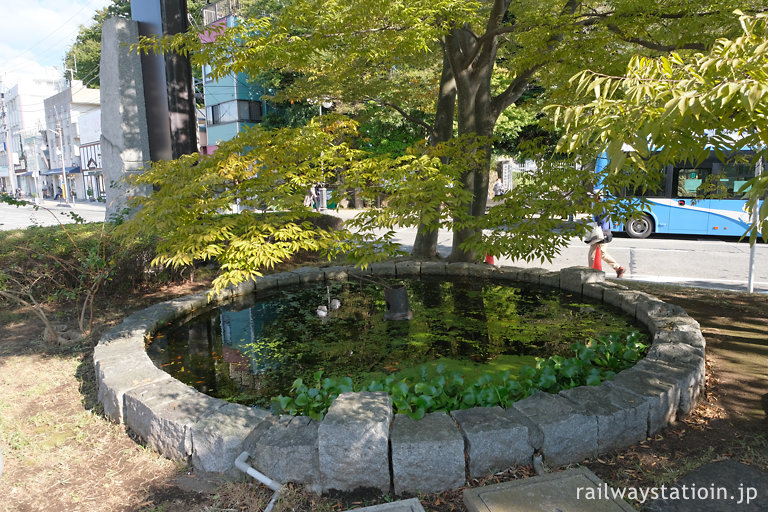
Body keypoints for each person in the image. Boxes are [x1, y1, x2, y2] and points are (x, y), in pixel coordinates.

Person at [588, 191, 626, 278]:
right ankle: (618, 268)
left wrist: (598, 236)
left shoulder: (600, 207)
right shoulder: (599, 205)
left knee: (592, 255)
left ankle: (591, 273)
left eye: (593, 196)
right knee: (601, 254)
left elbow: (603, 221)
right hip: (602, 232)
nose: (592, 197)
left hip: (601, 233)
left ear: (597, 197)